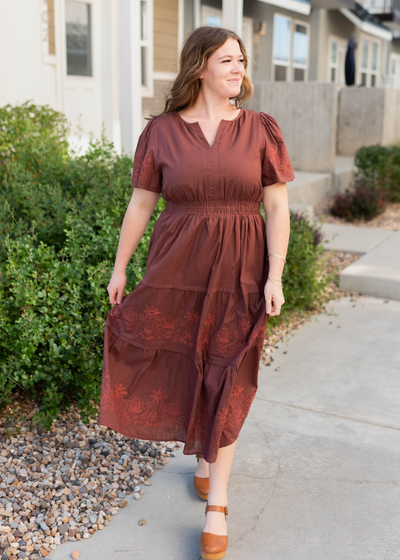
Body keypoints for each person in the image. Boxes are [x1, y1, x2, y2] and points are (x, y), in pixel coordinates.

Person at [97, 25, 295, 560]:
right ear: (199, 66)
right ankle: (205, 458)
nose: (239, 70)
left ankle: (217, 504)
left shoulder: (260, 129)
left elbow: (276, 208)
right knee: (189, 360)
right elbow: (141, 204)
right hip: (176, 265)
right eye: (228, 60)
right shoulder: (161, 131)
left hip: (242, 270)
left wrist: (275, 275)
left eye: (242, 61)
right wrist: (120, 269)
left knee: (229, 367)